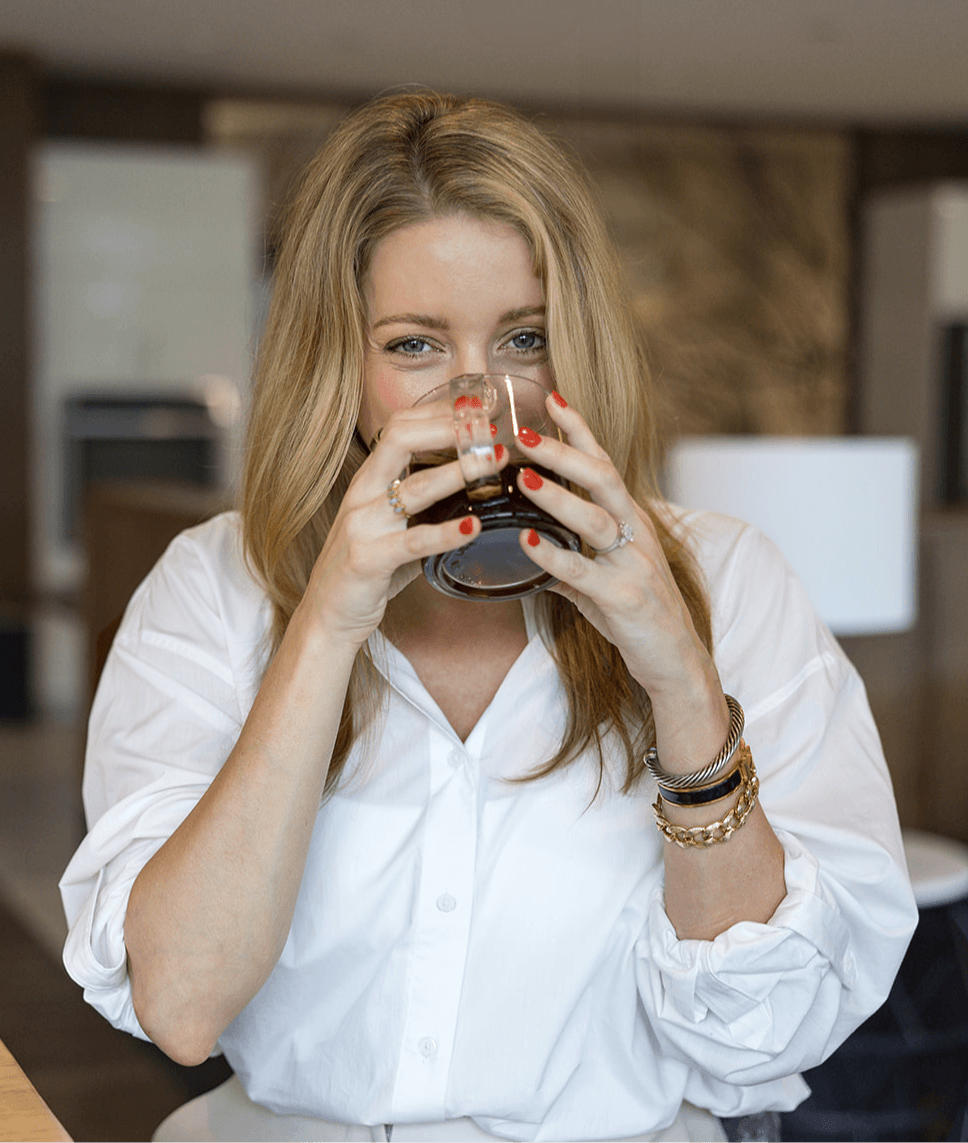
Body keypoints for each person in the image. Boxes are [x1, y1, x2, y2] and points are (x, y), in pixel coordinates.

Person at [60, 90, 917, 1143]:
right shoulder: (215, 585)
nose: (477, 404)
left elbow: (771, 1032)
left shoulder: (729, 579)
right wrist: (326, 621)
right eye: (414, 345)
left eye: (523, 338)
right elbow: (182, 1005)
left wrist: (679, 684)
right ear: (339, 362)